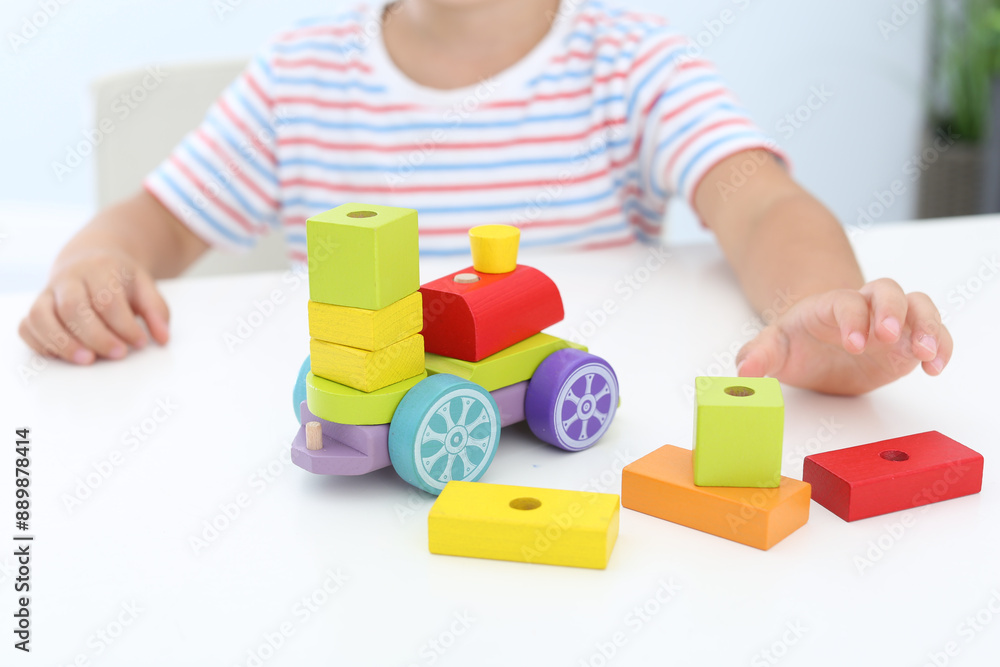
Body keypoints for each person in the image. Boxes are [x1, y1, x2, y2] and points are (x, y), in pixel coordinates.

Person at [17, 0, 952, 396]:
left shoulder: (628, 59)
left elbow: (762, 206)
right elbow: (156, 223)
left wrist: (816, 306)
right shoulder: (295, 80)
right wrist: (94, 267)